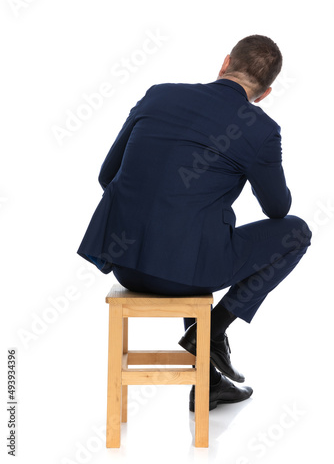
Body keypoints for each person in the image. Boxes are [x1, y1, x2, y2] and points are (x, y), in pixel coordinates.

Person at [77, 35, 312, 411]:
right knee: (297, 232)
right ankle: (210, 331)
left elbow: (108, 175)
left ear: (225, 63)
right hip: (188, 273)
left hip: (124, 264)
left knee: (195, 230)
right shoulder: (261, 128)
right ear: (265, 93)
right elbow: (277, 210)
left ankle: (210, 382)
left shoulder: (159, 94)